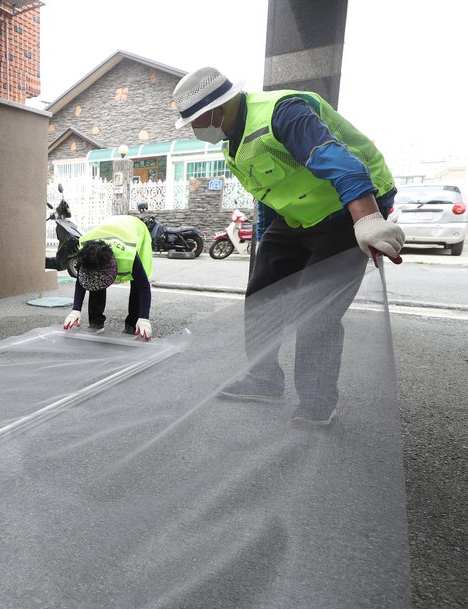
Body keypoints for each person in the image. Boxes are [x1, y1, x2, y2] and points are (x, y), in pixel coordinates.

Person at [171, 66, 405, 425]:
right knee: (263, 295)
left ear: (217, 109)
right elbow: (269, 193)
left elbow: (335, 157)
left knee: (316, 311)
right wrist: (265, 240)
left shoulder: (283, 112)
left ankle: (316, 401)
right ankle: (263, 380)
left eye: (196, 120)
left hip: (345, 211)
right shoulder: (233, 143)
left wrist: (366, 217)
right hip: (296, 217)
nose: (195, 128)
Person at [62, 215, 154, 340]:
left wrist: (144, 318)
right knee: (95, 278)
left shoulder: (128, 255)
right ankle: (96, 321)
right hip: (110, 227)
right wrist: (75, 310)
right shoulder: (86, 251)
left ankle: (133, 323)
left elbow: (143, 286)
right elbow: (82, 280)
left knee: (137, 282)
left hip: (135, 229)